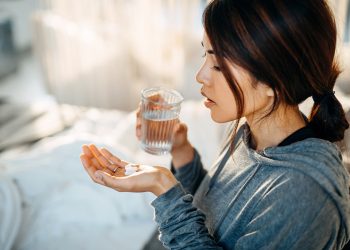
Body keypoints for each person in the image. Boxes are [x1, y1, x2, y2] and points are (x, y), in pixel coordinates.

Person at [80, 1, 350, 249]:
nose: (200, 76)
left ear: (274, 80)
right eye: (204, 54)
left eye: (218, 65)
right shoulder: (251, 132)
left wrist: (163, 187)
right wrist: (182, 151)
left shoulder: (305, 193)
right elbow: (212, 213)